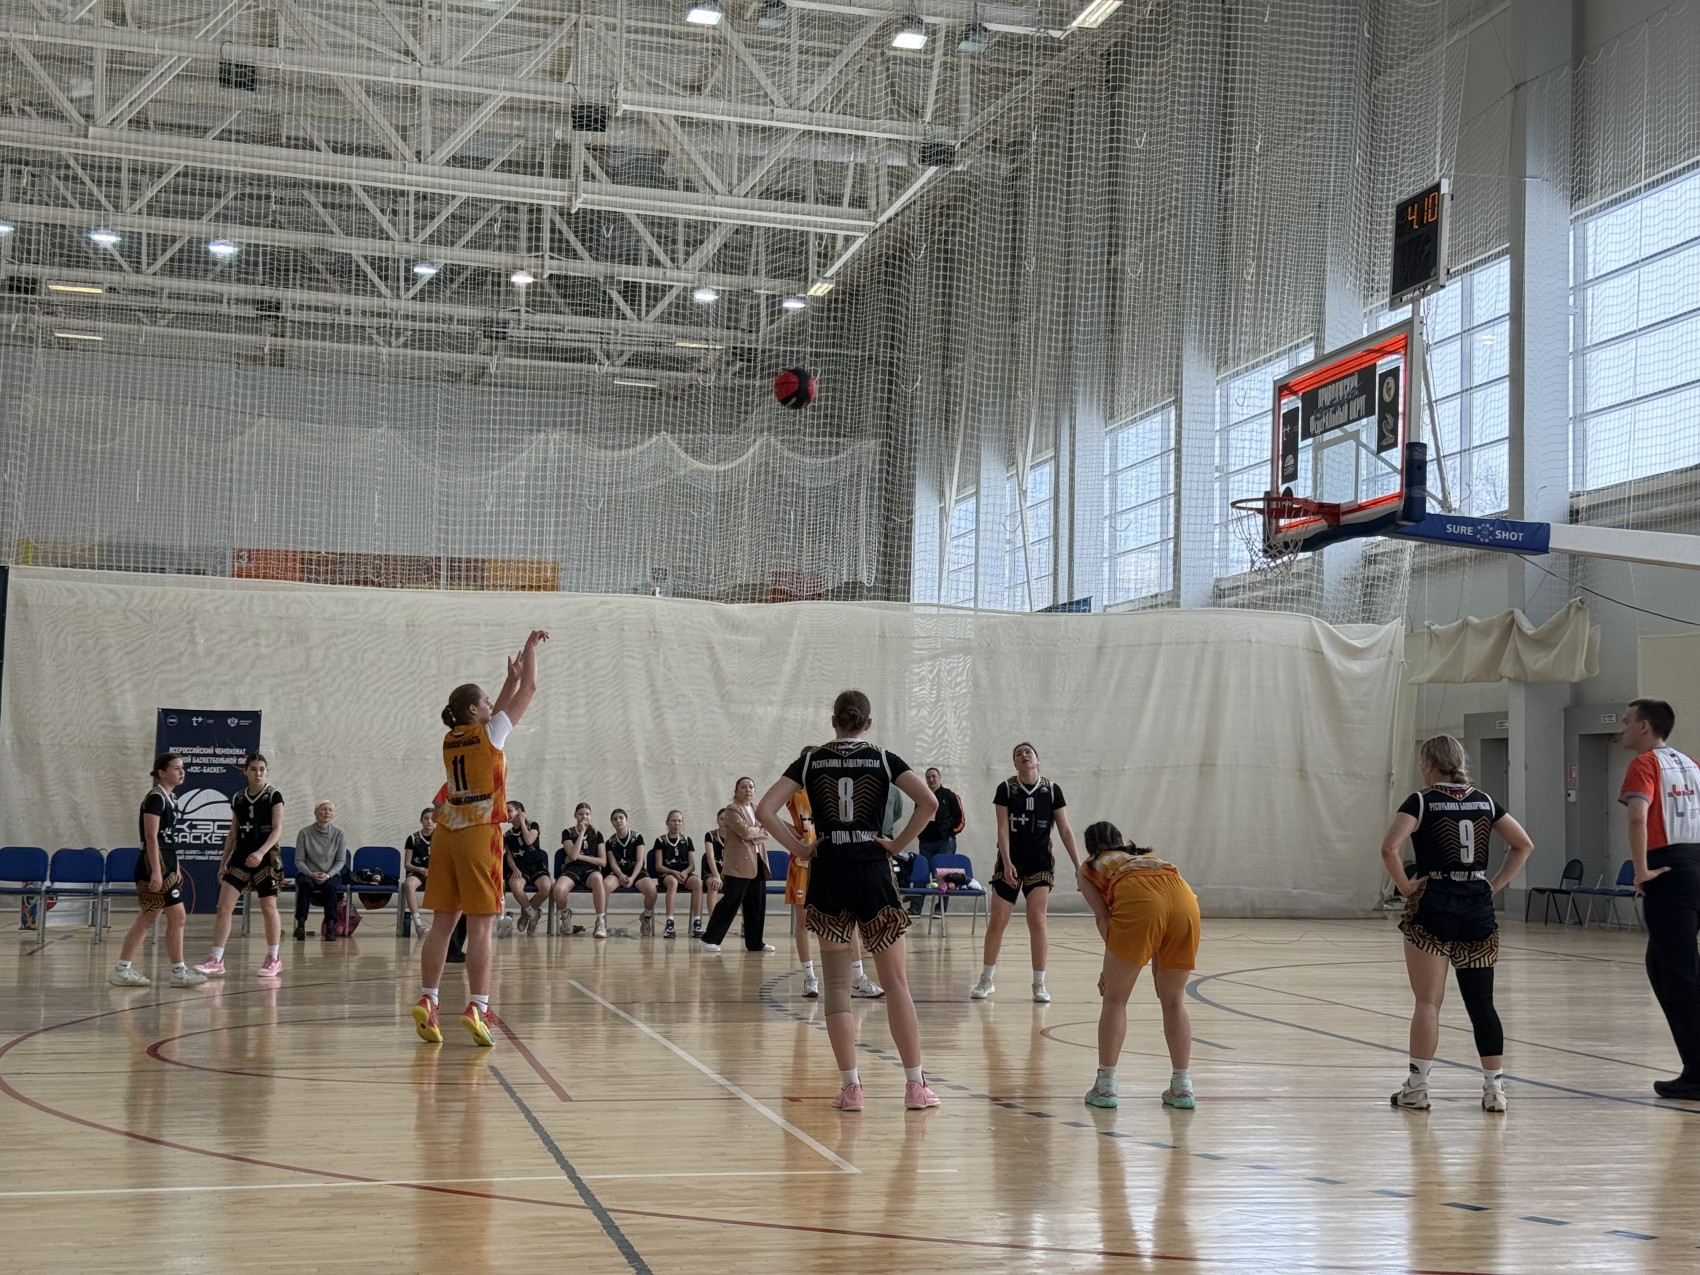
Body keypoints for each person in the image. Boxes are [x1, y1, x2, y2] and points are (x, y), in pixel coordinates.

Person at [756, 689, 939, 1111]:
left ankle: (851, 1088)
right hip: (873, 872)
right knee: (896, 983)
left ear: (833, 720)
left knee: (837, 987)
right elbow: (928, 802)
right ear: (867, 724)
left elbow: (765, 810)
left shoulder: (810, 761)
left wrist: (800, 848)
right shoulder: (882, 757)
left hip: (829, 873)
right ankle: (915, 1086)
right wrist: (897, 845)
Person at [1381, 735, 1534, 1113]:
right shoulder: (1485, 801)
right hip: (1476, 909)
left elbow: (1389, 848)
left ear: (1428, 764)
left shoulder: (1421, 801)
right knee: (1482, 1003)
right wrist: (1493, 885)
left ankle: (1417, 1088)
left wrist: (1405, 887)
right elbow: (1523, 845)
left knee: (1428, 1001)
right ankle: (1495, 1089)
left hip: (1434, 906)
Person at [412, 628, 548, 1048]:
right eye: (486, 701)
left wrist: (507, 681)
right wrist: (529, 652)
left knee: (442, 924)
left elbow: (500, 708)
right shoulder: (491, 735)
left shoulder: (452, 736)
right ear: (474, 709)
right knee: (481, 927)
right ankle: (478, 1006)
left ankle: (429, 1000)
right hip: (479, 835)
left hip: (446, 834)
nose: (493, 705)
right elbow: (530, 689)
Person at [1076, 821, 1201, 1110]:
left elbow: (1103, 917)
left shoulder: (1088, 868)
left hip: (1139, 899)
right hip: (1183, 899)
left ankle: (1105, 1086)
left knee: (1115, 999)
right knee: (1173, 1001)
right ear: (1121, 839)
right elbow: (1162, 910)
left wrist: (1111, 966)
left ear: (1090, 848)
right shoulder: (1145, 856)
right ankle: (1182, 1087)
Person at [1617, 698, 1700, 1100]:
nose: (1622, 728)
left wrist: (1641, 870)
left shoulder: (1644, 764)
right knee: (1662, 966)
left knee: (1678, 973)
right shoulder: (1692, 764)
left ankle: (1697, 1071)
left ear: (1645, 726)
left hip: (1668, 868)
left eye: (1626, 721)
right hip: (1695, 863)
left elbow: (1637, 816)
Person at [973, 742, 1080, 1003]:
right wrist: (1007, 861)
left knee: (1037, 919)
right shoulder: (1006, 789)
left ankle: (1039, 984)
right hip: (1010, 861)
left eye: (1028, 752)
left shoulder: (1051, 790)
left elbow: (1065, 830)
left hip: (1039, 861)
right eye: (1018, 754)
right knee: (998, 918)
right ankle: (986, 979)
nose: (1024, 755)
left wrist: (1079, 866)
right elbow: (1002, 829)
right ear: (1014, 763)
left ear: (1037, 760)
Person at [109, 753, 208, 987]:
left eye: (183, 768)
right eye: (176, 768)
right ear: (161, 772)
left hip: (167, 863)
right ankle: (176, 972)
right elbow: (151, 837)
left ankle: (124, 969)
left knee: (151, 917)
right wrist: (156, 871)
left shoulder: (171, 798)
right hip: (154, 864)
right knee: (174, 916)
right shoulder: (155, 798)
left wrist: (176, 866)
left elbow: (168, 839)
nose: (181, 772)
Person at [194, 753, 286, 978]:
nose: (258, 773)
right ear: (245, 771)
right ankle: (216, 958)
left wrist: (261, 852)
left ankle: (273, 958)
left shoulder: (273, 795)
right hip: (241, 855)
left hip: (266, 855)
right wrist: (223, 862)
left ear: (266, 771)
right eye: (253, 769)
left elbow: (277, 829)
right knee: (224, 907)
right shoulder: (238, 797)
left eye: (262, 769)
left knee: (268, 906)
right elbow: (233, 832)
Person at [785, 789, 881, 1000]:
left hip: (835, 860)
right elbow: (766, 813)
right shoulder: (795, 791)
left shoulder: (835, 788)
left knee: (848, 917)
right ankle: (810, 978)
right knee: (803, 921)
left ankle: (857, 978)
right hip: (803, 863)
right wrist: (796, 836)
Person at [699, 778, 773, 954]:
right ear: (736, 790)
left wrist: (757, 833)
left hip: (757, 861)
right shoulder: (732, 810)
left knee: (756, 903)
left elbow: (768, 830)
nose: (748, 789)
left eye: (751, 786)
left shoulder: (756, 809)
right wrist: (759, 832)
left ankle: (755, 943)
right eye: (743, 787)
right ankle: (710, 939)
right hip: (739, 864)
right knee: (730, 902)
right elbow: (745, 832)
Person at [908, 767, 964, 915]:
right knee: (920, 875)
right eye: (928, 777)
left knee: (943, 877)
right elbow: (917, 818)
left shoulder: (950, 796)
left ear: (940, 777)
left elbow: (961, 819)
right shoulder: (922, 797)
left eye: (933, 776)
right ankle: (915, 909)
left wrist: (950, 835)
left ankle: (940, 909)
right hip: (925, 843)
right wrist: (919, 835)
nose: (931, 779)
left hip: (945, 843)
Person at [293, 801, 351, 941]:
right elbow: (299, 860)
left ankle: (330, 926)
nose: (327, 812)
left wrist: (328, 875)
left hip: (331, 873)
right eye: (323, 809)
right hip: (308, 873)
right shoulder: (304, 833)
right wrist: (310, 873)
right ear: (316, 813)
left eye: (330, 810)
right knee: (305, 885)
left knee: (331, 887)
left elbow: (341, 861)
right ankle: (301, 925)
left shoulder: (339, 834)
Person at [552, 804, 607, 935]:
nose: (584, 817)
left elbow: (603, 862)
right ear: (575, 816)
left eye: (587, 814)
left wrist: (580, 857)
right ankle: (565, 914)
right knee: (558, 890)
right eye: (581, 814)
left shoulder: (597, 835)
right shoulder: (567, 832)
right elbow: (572, 855)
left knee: (598, 878)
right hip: (572, 869)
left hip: (590, 870)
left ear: (590, 816)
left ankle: (600, 921)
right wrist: (582, 832)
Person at [603, 809, 657, 936]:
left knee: (652, 891)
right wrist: (620, 875)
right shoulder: (610, 842)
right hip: (619, 872)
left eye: (621, 818)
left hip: (636, 872)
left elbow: (639, 861)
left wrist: (632, 878)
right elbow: (613, 864)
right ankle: (601, 921)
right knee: (604, 886)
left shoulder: (637, 837)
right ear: (612, 822)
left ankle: (646, 916)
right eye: (615, 819)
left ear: (626, 821)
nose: (618, 821)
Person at [651, 810, 704, 938]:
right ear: (667, 823)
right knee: (673, 882)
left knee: (698, 882)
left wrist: (685, 872)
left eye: (679, 821)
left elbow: (692, 865)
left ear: (682, 823)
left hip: (684, 874)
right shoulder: (660, 840)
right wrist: (673, 872)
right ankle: (670, 923)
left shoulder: (687, 840)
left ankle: (697, 923)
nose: (676, 823)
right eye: (673, 820)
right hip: (667, 874)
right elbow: (658, 866)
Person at [502, 800, 550, 935]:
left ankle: (525, 913)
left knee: (546, 887)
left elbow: (529, 841)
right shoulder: (508, 835)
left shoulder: (533, 825)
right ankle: (532, 914)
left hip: (536, 866)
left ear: (519, 812)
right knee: (514, 885)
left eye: (509, 810)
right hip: (521, 868)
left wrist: (522, 822)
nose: (506, 813)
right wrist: (514, 868)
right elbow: (509, 856)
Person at [403, 806, 436, 938]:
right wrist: (419, 869)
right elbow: (407, 864)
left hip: (436, 872)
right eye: (426, 818)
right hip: (418, 871)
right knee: (409, 884)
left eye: (432, 819)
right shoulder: (412, 838)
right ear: (421, 820)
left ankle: (441, 927)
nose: (429, 821)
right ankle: (418, 925)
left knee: (450, 885)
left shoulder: (441, 837)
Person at [701, 827, 725, 920]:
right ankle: (713, 920)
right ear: (718, 821)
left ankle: (745, 922)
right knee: (713, 884)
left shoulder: (735, 834)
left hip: (729, 873)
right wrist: (717, 876)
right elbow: (710, 857)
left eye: (726, 819)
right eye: (721, 819)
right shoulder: (711, 835)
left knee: (743, 886)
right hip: (713, 872)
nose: (724, 821)